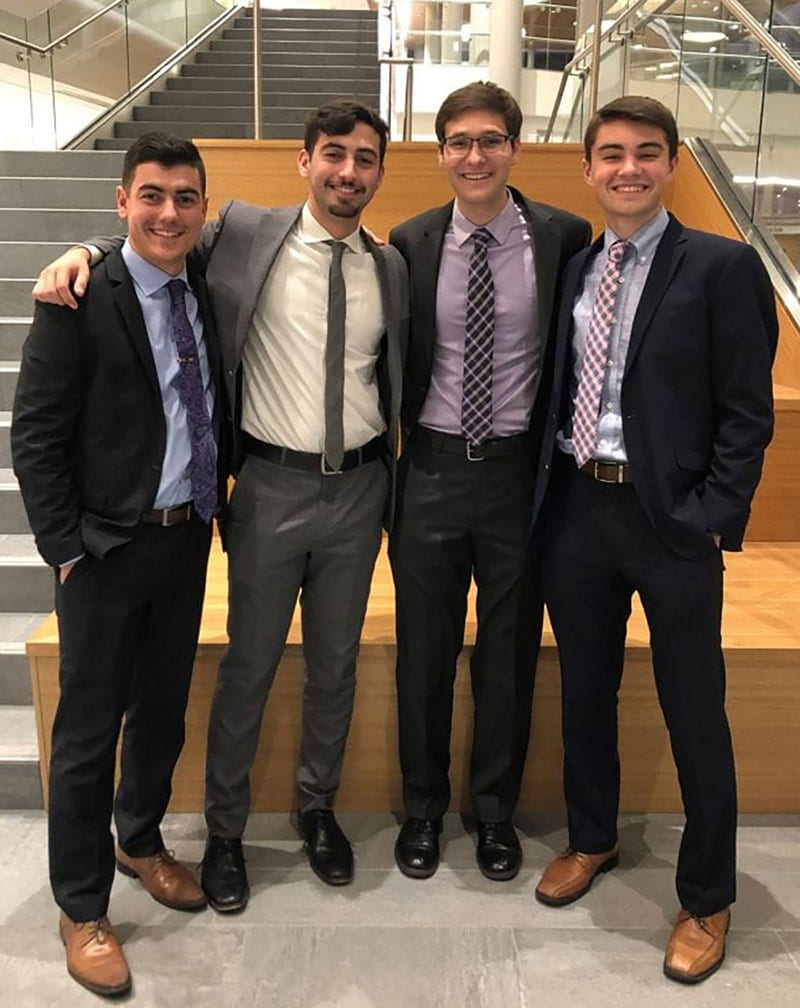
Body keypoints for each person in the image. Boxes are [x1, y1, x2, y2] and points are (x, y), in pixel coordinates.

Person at [34, 100, 407, 907]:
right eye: (333, 153)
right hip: (265, 488)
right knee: (248, 665)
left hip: (357, 490)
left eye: (366, 157)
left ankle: (315, 809)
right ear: (303, 161)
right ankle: (226, 832)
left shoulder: (392, 264)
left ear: (380, 170)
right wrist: (81, 249)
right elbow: (145, 241)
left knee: (335, 667)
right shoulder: (240, 233)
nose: (349, 170)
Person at [532, 96, 777, 984]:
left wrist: (712, 513)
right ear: (588, 170)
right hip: (578, 511)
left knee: (693, 709)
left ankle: (707, 896)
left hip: (672, 520)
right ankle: (592, 837)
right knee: (585, 692)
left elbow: (749, 413)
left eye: (645, 153)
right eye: (610, 155)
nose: (626, 168)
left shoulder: (722, 265)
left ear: (672, 163)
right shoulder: (576, 265)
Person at [12, 133, 227, 997]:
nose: (168, 212)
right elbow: (35, 436)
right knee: (86, 734)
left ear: (202, 207)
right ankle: (81, 905)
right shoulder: (77, 297)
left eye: (184, 197)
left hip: (184, 539)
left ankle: (139, 841)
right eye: (151, 195)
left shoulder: (201, 284)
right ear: (120, 200)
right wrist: (65, 547)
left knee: (164, 710)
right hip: (103, 549)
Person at [388, 82, 591, 881]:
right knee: (423, 654)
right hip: (431, 468)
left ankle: (495, 813)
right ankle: (422, 810)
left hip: (518, 477)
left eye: (491, 140)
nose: (475, 156)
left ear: (515, 148)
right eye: (460, 142)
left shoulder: (564, 237)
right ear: (440, 153)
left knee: (507, 654)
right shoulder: (409, 241)